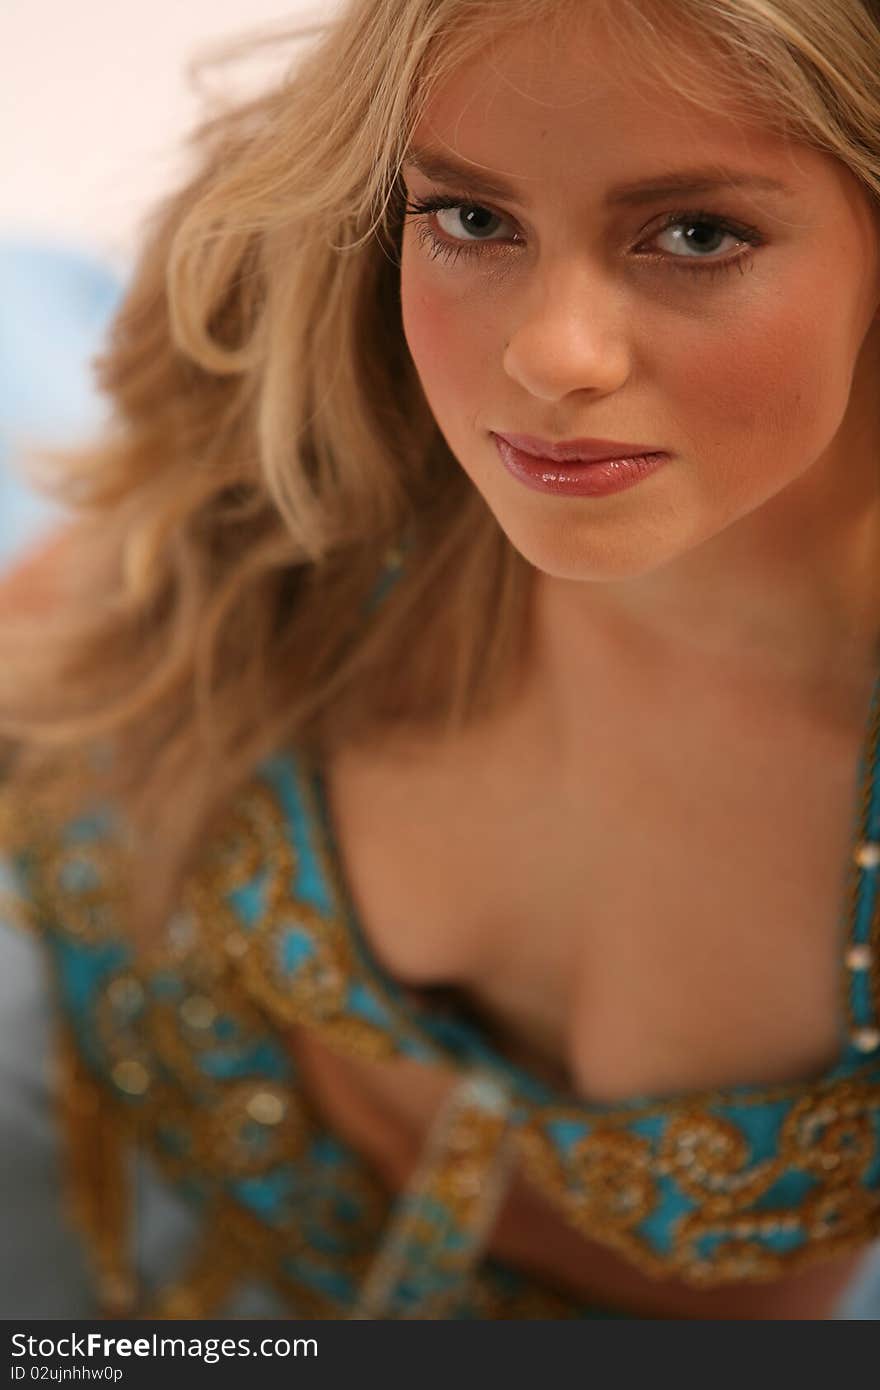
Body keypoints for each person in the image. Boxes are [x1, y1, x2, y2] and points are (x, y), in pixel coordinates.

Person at [2, 0, 880, 1320]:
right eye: (472, 218)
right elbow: (58, 650)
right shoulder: (349, 425)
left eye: (697, 233)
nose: (548, 354)